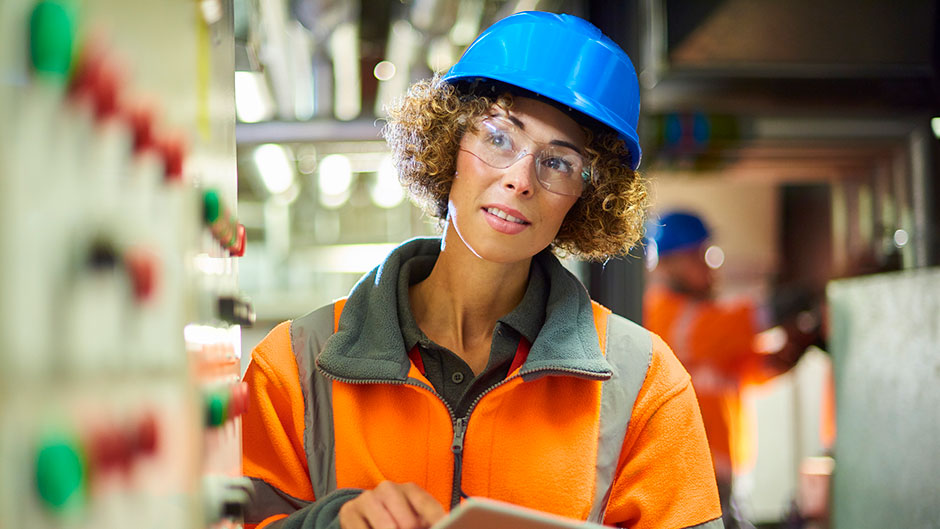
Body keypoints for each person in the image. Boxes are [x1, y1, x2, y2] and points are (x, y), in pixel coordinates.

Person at [241, 12, 722, 529]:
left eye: (558, 162)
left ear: (586, 197)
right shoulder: (295, 365)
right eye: (499, 138)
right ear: (449, 145)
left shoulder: (644, 384)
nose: (520, 180)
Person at [643, 211, 817, 529]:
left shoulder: (699, 322)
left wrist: (795, 348)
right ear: (670, 262)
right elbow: (739, 324)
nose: (711, 267)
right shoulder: (663, 312)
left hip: (721, 472)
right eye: (702, 256)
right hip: (690, 473)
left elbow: (745, 369)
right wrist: (805, 295)